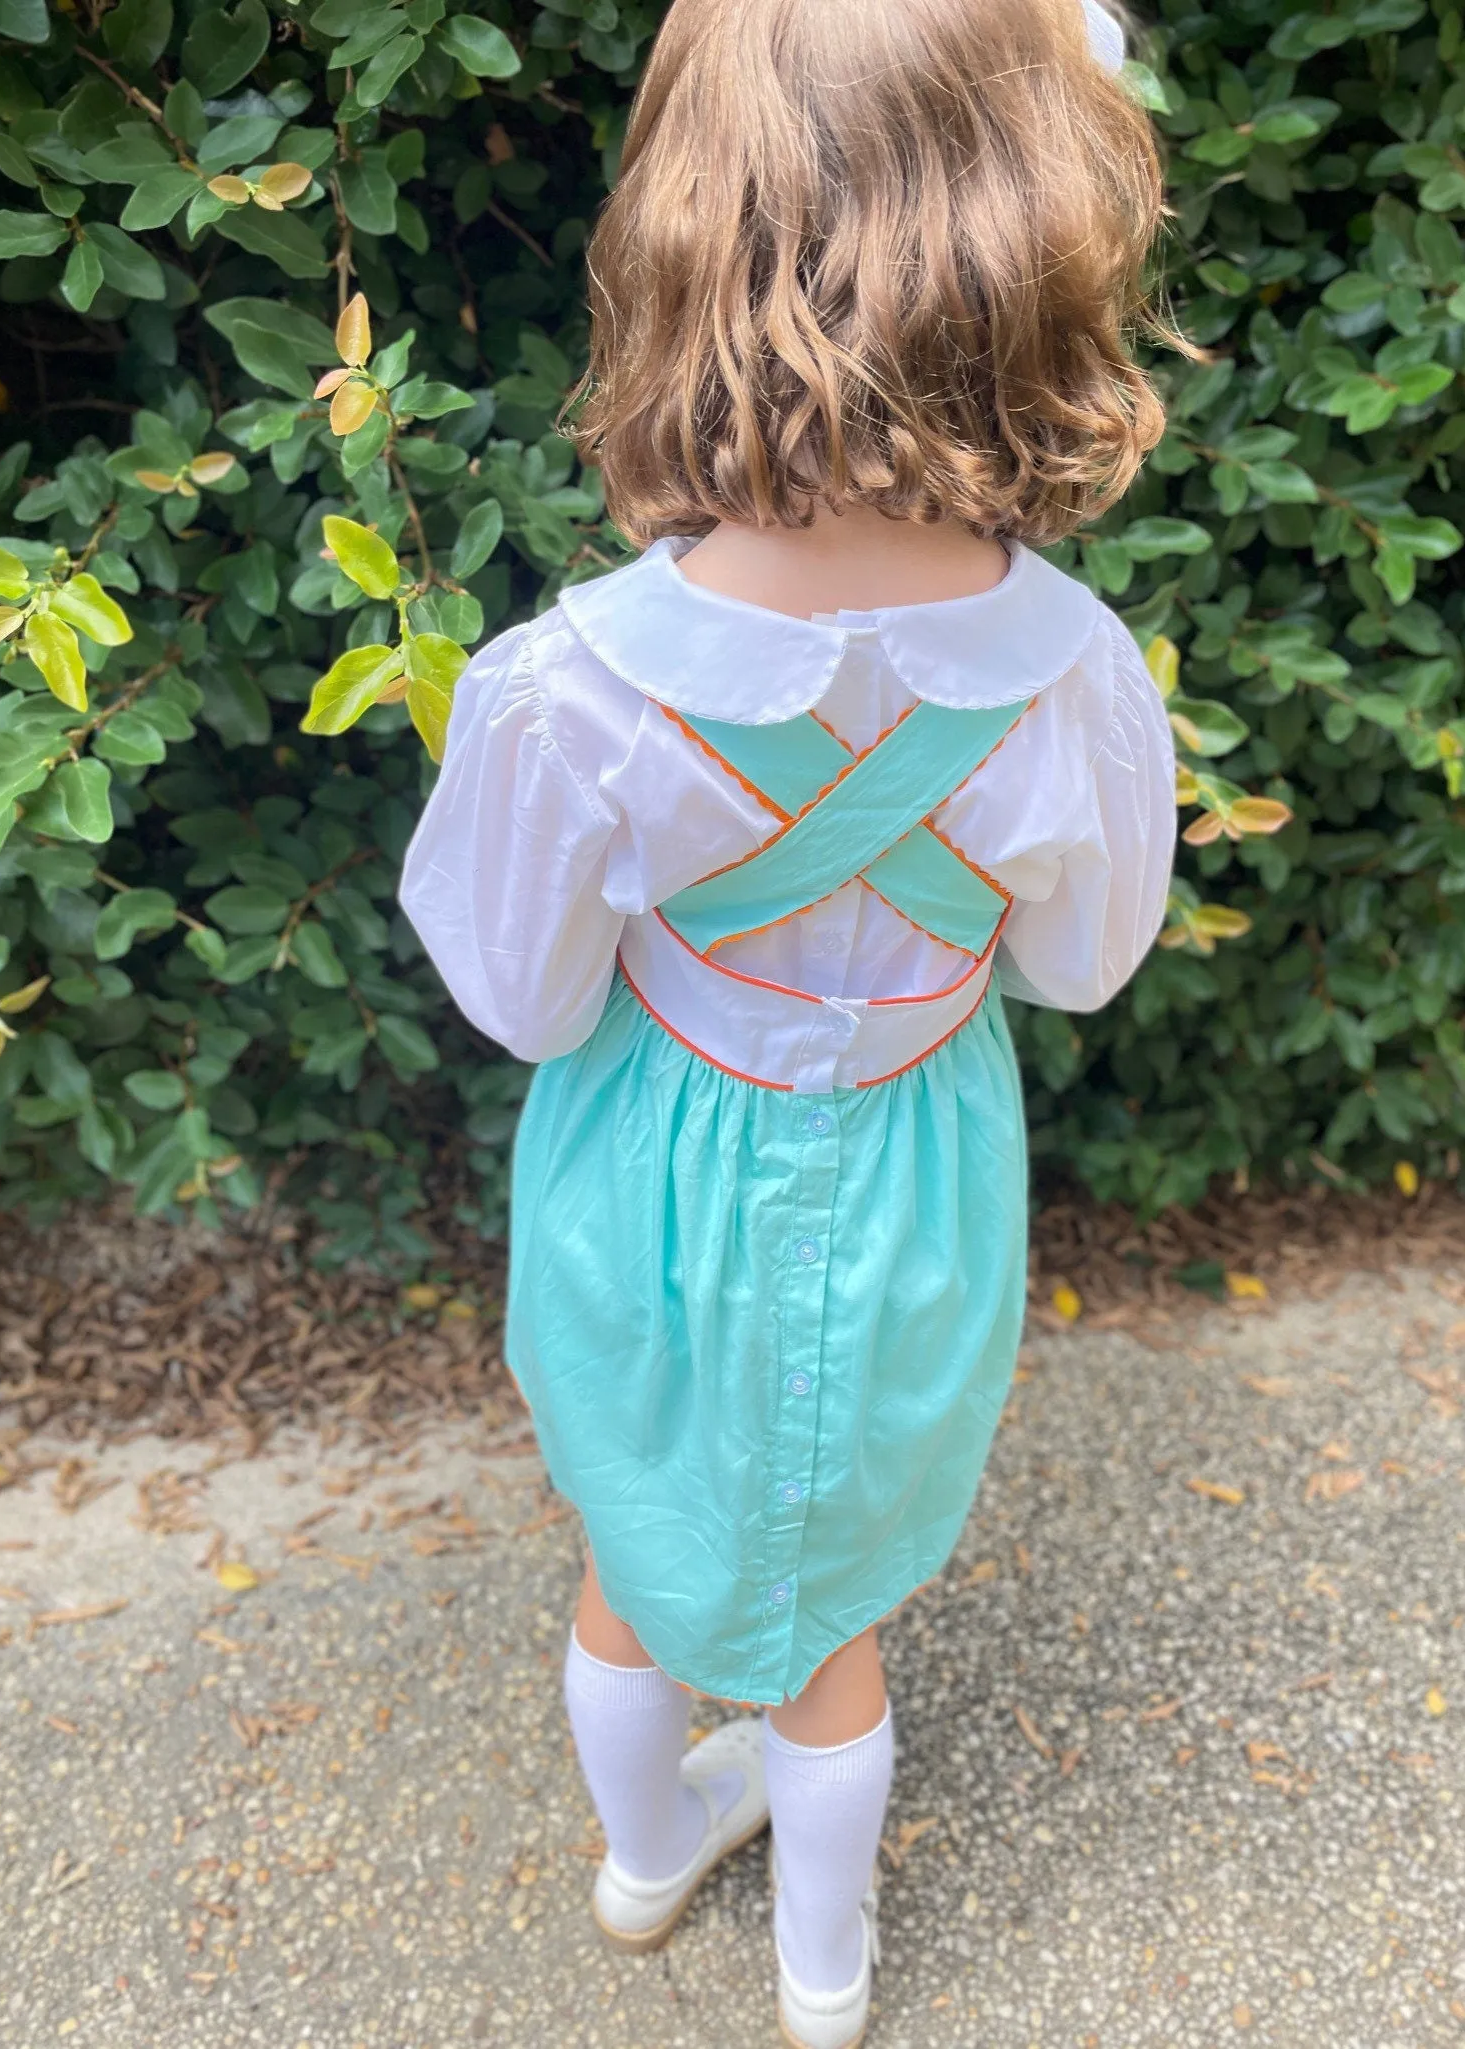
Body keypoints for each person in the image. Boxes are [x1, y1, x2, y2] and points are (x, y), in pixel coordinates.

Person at [401, 0, 1176, 2040]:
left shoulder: (566, 690)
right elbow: (1082, 960)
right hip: (919, 1157)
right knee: (834, 1621)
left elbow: (524, 991)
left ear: (682, 231)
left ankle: (648, 1862)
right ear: (1038, 241)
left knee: (627, 1550)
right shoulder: (1073, 672)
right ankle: (824, 1975)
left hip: (647, 1170)